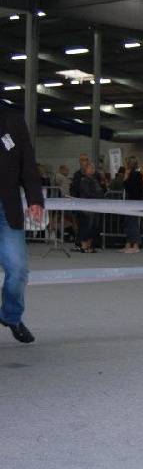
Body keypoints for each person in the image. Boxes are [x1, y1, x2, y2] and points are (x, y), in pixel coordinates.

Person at [0, 108, 44, 343]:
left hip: (6, 206)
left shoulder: (13, 119)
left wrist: (35, 198)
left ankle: (11, 316)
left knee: (18, 269)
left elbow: (27, 160)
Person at [76, 161, 104, 253]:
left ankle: (89, 245)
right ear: (85, 170)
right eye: (90, 168)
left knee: (94, 226)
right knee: (87, 225)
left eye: (93, 168)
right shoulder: (84, 180)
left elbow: (101, 190)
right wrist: (96, 196)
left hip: (96, 205)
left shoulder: (95, 179)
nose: (92, 169)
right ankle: (83, 245)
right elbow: (86, 192)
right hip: (87, 206)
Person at [121, 155, 143, 253]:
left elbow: (129, 187)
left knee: (133, 222)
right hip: (130, 201)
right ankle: (128, 243)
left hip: (134, 201)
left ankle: (136, 245)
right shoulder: (135, 174)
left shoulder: (135, 174)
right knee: (128, 222)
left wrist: (126, 178)